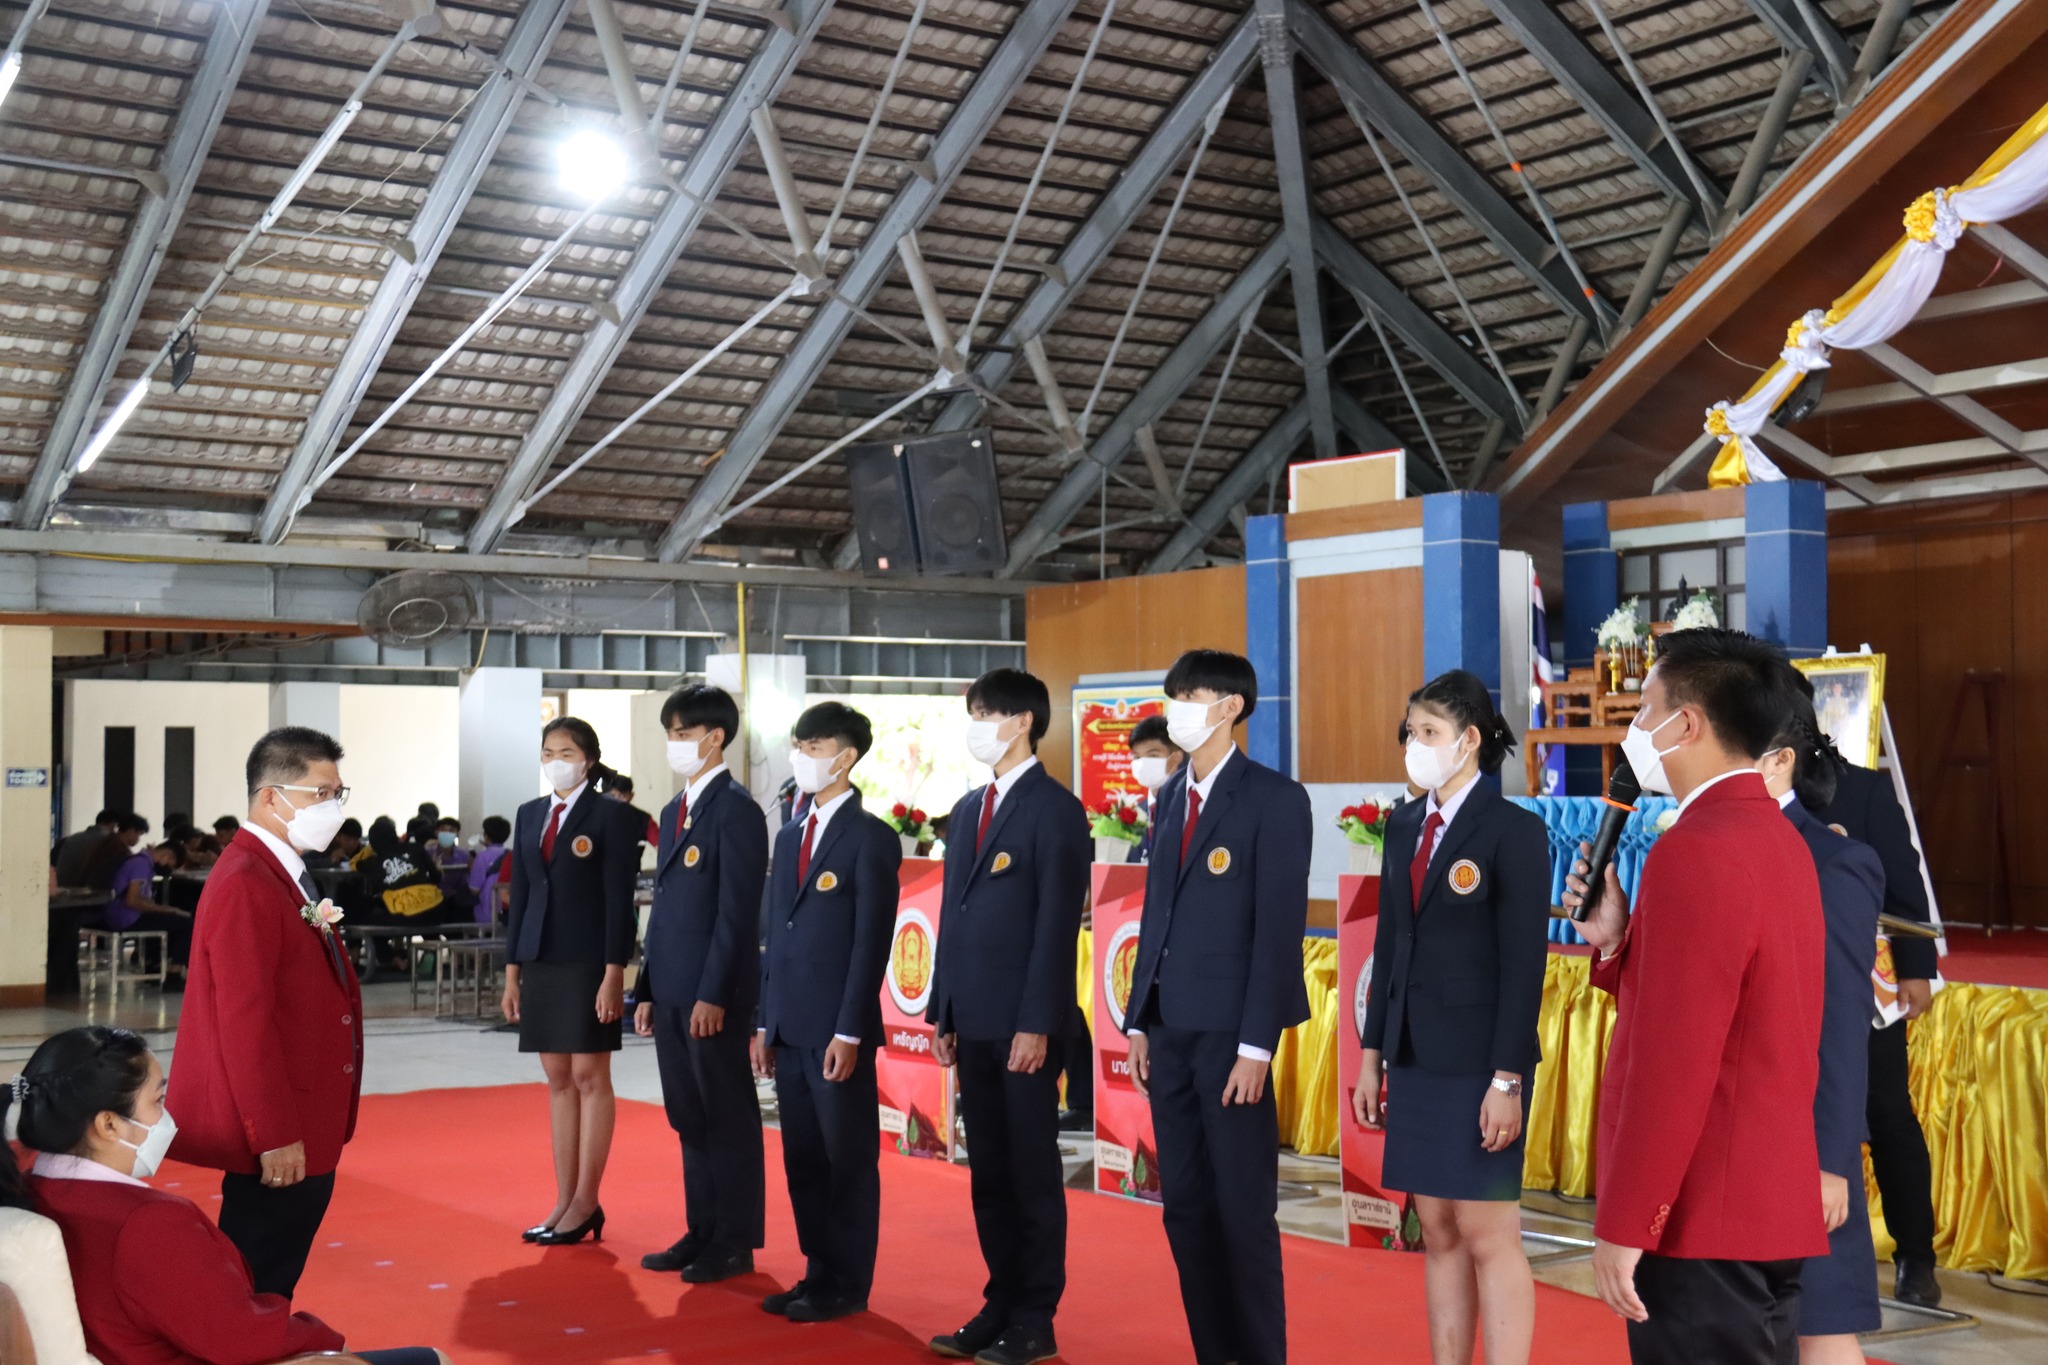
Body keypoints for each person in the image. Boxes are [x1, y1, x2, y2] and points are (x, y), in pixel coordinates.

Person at [1564, 629, 1827, 1365]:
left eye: (1645, 709)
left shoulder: (1696, 848)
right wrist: (1617, 944)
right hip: (1762, 1207)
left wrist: (1629, 1221)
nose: (1635, 728)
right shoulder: (1779, 838)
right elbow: (1741, 1014)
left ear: (1687, 723)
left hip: (1700, 1217)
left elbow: (1674, 1064)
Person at [4, 1026, 445, 1365]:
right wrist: (328, 1343)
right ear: (108, 1125)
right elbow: (240, 1338)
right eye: (157, 1101)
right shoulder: (146, 1223)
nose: (166, 1116)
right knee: (431, 1360)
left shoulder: (28, 1187)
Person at [1355, 670, 1550, 1365]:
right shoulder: (1405, 824)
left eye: (1429, 732)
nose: (1414, 744)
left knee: (1487, 1232)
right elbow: (1389, 947)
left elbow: (1524, 965)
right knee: (1436, 1228)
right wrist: (1372, 1055)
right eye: (1410, 731)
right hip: (1413, 1056)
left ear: (1468, 740)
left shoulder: (1513, 830)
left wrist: (1507, 1078)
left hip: (1479, 1062)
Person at [1123, 649, 1311, 1365]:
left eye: (1191, 695)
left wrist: (1257, 1046)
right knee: (1186, 1210)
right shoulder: (1170, 796)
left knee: (1242, 1214)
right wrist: (1140, 1019)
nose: (1177, 708)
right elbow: (1157, 914)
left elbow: (1278, 931)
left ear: (1231, 707)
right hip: (1169, 1031)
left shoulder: (1273, 798)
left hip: (1232, 1040)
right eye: (1173, 694)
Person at [926, 669, 1090, 1365]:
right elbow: (953, 914)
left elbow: (1056, 926)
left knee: (1030, 1172)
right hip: (973, 1018)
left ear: (1023, 721)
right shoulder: (968, 809)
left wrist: (1038, 1022)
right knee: (988, 1171)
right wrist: (943, 1009)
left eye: (989, 713)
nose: (978, 725)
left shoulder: (1056, 810)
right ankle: (999, 1300)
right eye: (973, 713)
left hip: (1025, 1024)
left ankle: (1035, 1316)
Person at [167, 727, 362, 1299]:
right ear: (271, 797)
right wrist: (272, 1134)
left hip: (307, 1111)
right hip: (281, 1127)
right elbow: (243, 1024)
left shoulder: (281, 871)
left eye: (338, 794)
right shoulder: (246, 880)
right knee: (256, 1281)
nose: (333, 808)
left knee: (272, 1277)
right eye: (320, 794)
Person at [753, 701, 900, 1324]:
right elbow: (775, 936)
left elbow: (871, 942)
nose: (802, 757)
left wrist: (849, 1029)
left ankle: (847, 1281)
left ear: (846, 757)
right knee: (804, 1159)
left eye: (814, 747)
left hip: (837, 1028)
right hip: (789, 1024)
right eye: (800, 745)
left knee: (847, 1160)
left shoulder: (871, 837)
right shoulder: (790, 835)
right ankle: (817, 1270)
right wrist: (765, 1022)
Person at [1801, 680, 1942, 1308]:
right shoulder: (1755, 789)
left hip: (1867, 988)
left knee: (1886, 1114)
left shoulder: (1863, 789)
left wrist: (1916, 968)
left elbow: (1906, 889)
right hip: (1787, 986)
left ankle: (1916, 1256)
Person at [1758, 680, 1883, 1364]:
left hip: (1802, 1139)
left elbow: (1840, 1028)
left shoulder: (1832, 861)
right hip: (1731, 1136)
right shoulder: (1692, 842)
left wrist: (1830, 1161)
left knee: (1821, 1323)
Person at [631, 685, 769, 1284]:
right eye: (670, 733)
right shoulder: (674, 811)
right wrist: (647, 988)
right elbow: (664, 908)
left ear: (715, 738)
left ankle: (734, 1240)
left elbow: (736, 915)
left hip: (713, 995)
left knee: (726, 1116)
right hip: (671, 990)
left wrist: (713, 993)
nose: (675, 743)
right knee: (688, 1115)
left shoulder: (736, 811)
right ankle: (702, 1228)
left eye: (683, 733)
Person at [501, 717, 640, 1246]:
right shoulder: (530, 813)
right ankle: (564, 1199)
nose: (555, 761)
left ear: (588, 760)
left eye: (566, 752)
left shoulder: (611, 816)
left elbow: (618, 901)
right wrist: (512, 973)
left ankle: (587, 1200)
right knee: (557, 1077)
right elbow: (522, 896)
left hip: (589, 960)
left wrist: (614, 973)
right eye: (547, 752)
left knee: (588, 1075)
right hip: (540, 958)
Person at [83, 819, 195, 984]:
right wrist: (167, 910)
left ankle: (153, 965)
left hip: (117, 914)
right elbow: (133, 901)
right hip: (125, 917)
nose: (169, 869)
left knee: (167, 920)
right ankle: (174, 974)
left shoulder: (141, 861)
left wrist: (164, 910)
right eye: (172, 865)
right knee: (187, 924)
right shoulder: (141, 865)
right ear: (167, 856)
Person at [1126, 714, 1184, 862]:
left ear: (1176, 757)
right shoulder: (1131, 815)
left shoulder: (1191, 807)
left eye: (1153, 756)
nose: (1143, 764)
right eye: (1137, 757)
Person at [52, 807, 121, 887]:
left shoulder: (69, 840)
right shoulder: (110, 842)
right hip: (91, 892)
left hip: (62, 890)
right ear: (114, 826)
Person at [467, 815, 512, 924]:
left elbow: (474, 889)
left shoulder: (482, 856)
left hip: (487, 914)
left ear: (486, 835)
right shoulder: (511, 855)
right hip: (508, 912)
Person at [607, 774, 661, 850]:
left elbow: (662, 847)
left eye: (623, 796)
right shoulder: (597, 816)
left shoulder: (643, 820)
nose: (617, 800)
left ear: (631, 796)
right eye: (612, 796)